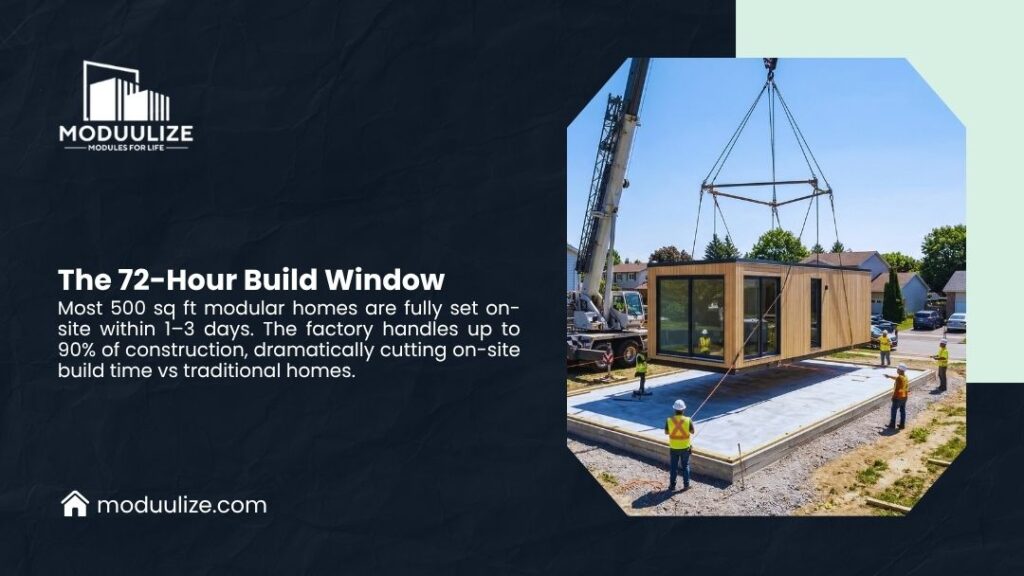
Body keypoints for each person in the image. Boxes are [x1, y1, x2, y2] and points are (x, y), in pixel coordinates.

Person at [664, 399, 695, 491]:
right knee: (685, 466)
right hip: (685, 447)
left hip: (673, 448)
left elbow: (666, 432)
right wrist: (687, 424)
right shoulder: (688, 420)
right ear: (683, 410)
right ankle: (686, 485)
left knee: (673, 467)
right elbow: (692, 431)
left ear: (674, 410)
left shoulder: (669, 420)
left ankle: (672, 486)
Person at [884, 363, 910, 429]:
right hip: (904, 396)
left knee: (893, 410)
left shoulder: (899, 378)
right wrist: (889, 376)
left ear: (900, 370)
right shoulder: (905, 377)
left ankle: (892, 424)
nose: (897, 370)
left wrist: (894, 397)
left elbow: (897, 389)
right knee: (902, 410)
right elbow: (898, 378)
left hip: (898, 397)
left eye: (897, 369)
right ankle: (902, 425)